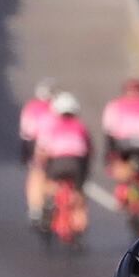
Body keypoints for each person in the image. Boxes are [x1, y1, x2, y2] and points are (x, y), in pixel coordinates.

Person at [30, 92, 92, 233]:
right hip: (77, 163)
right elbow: (89, 150)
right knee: (79, 194)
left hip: (57, 163)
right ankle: (80, 223)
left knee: (48, 184)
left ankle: (48, 205)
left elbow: (42, 152)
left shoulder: (51, 127)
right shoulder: (81, 126)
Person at [101, 79, 139, 219]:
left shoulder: (115, 105)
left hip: (124, 143)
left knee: (121, 169)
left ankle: (123, 193)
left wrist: (109, 160)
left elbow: (109, 132)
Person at [17, 81, 55, 169]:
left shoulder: (31, 105)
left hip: (31, 137)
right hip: (43, 139)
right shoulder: (52, 107)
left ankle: (27, 160)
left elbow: (24, 122)